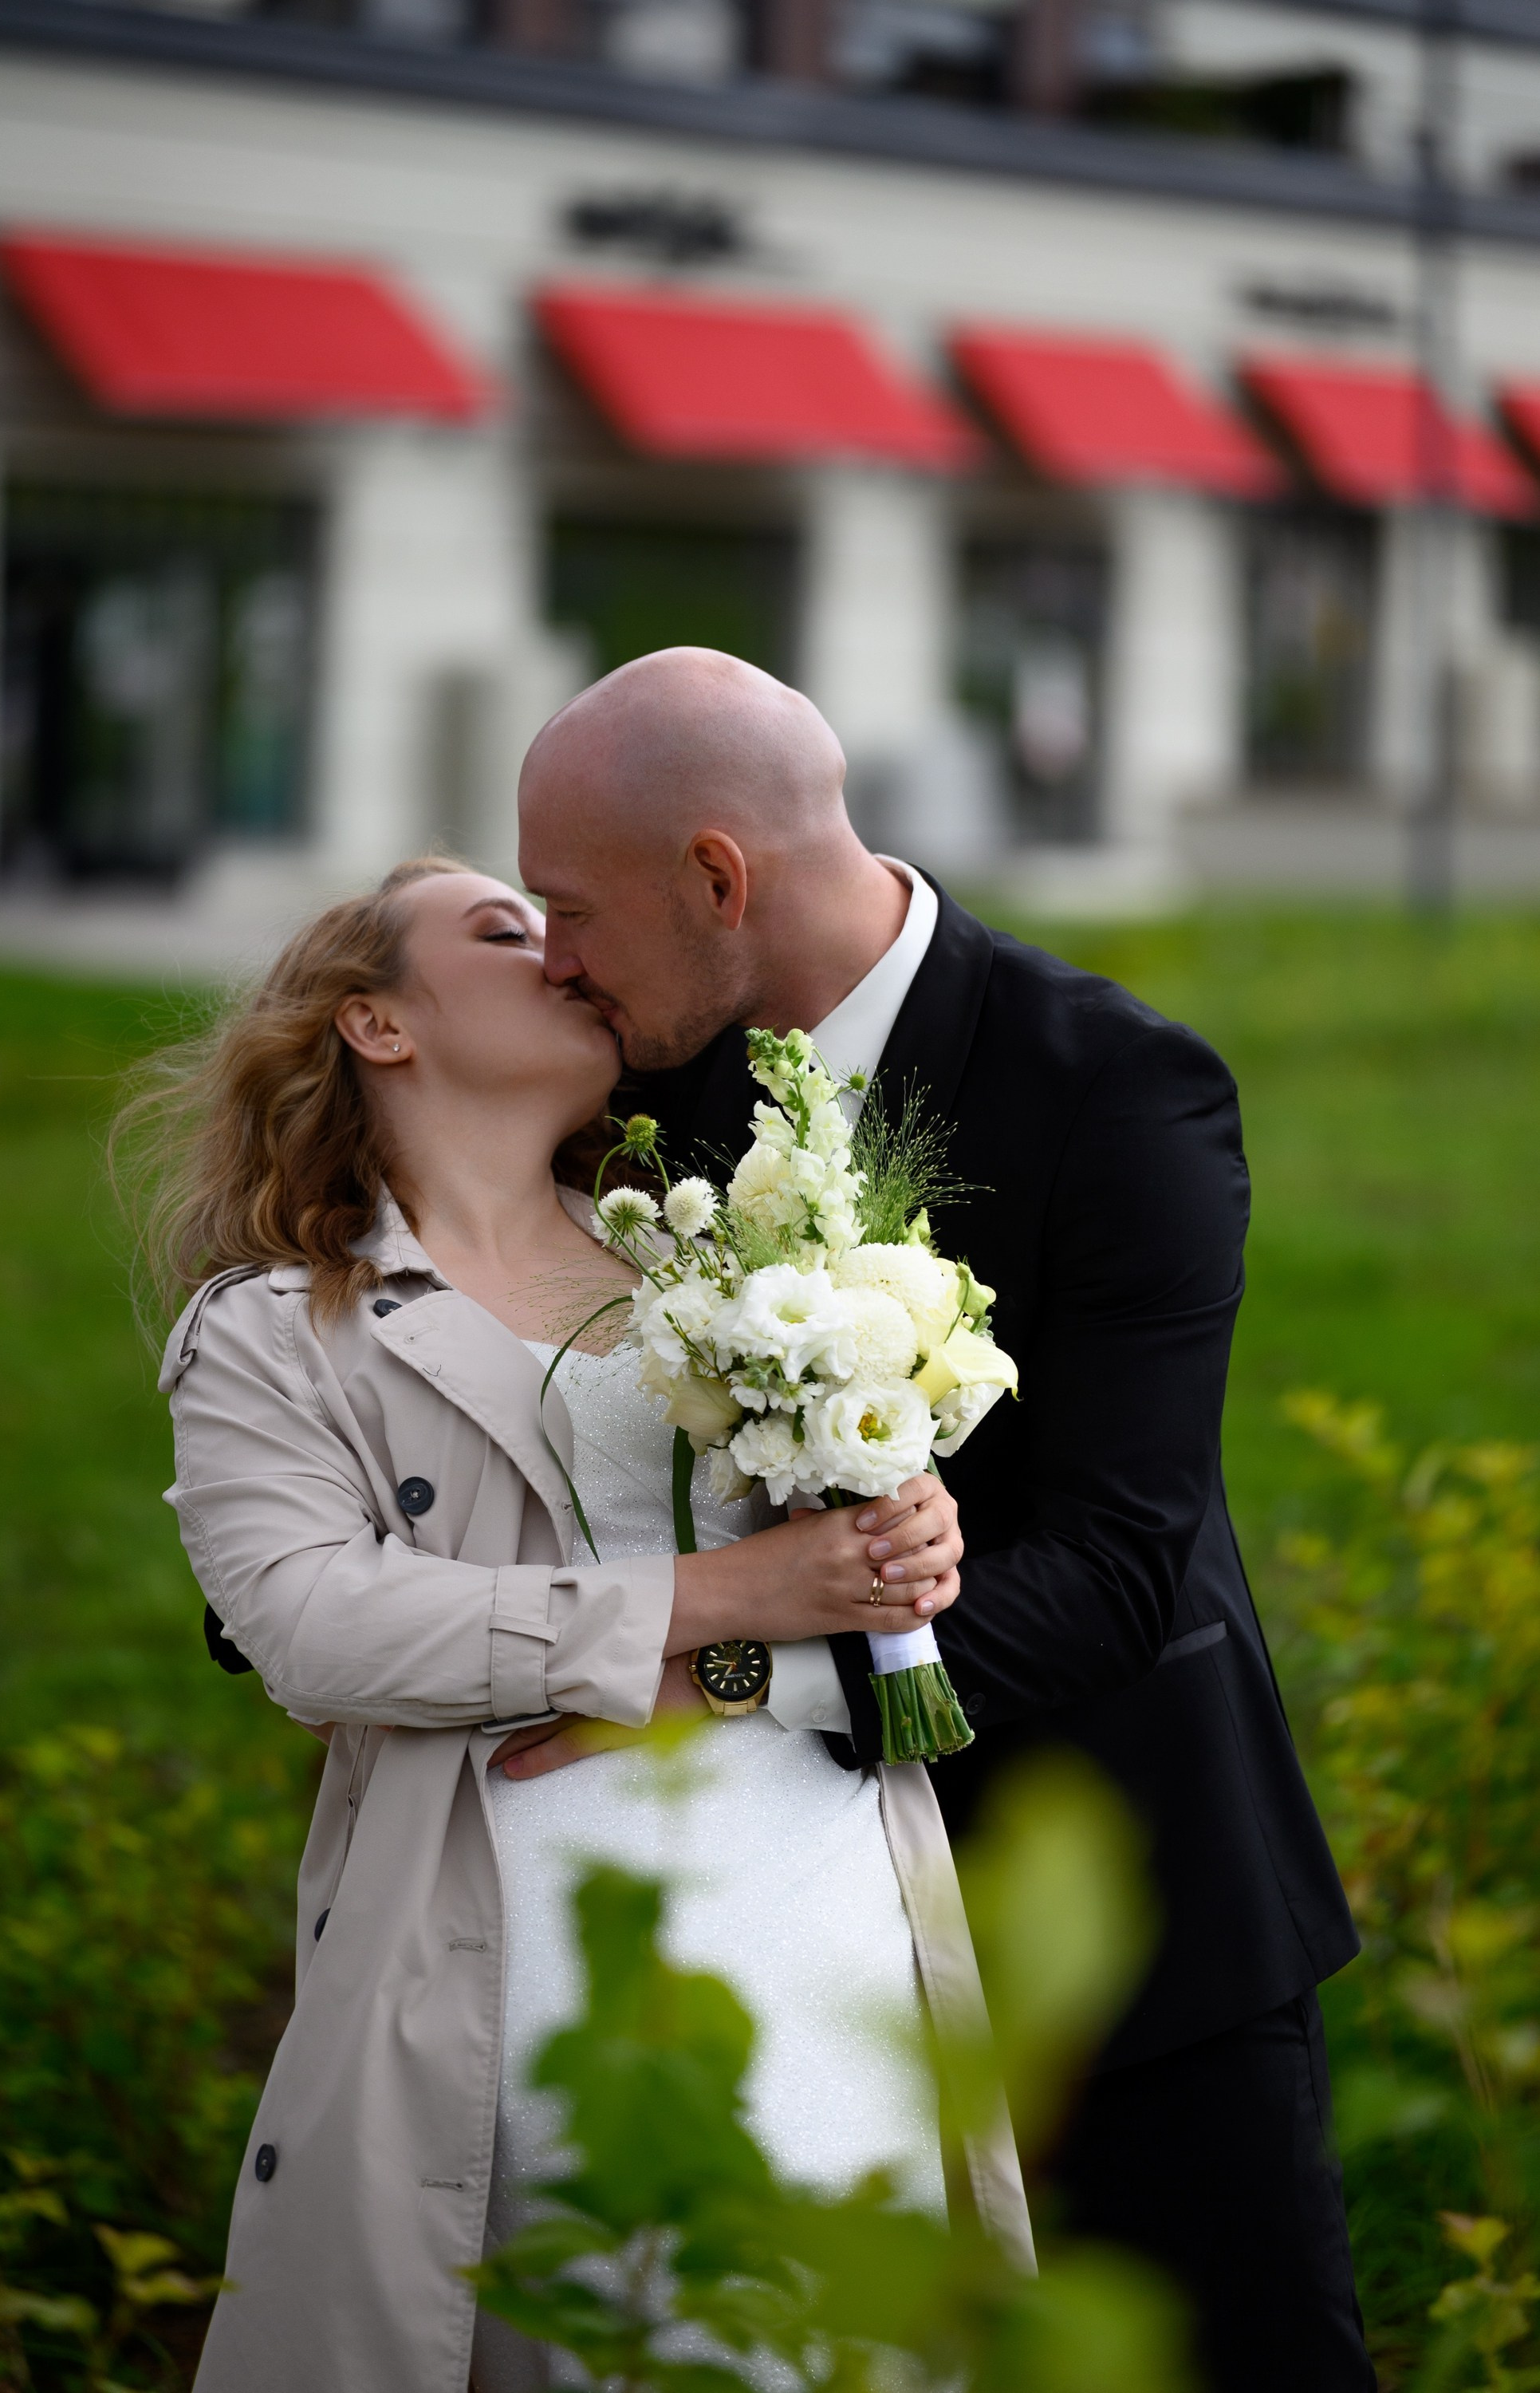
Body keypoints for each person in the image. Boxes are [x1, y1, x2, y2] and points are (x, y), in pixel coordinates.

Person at [514, 647, 1376, 2393]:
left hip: (1120, 1922)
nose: (553, 963)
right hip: (766, 1939)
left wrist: (734, 1678)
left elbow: (1120, 1562)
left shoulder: (1119, 1087)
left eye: (570, 910)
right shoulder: (603, 1099)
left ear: (715, 879)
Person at [133, 856, 1030, 2393]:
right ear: (378, 1024)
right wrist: (723, 1595)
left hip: (819, 1894)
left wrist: (902, 1533)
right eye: (501, 930)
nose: (560, 950)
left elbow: (845, 1594)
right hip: (510, 1932)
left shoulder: (716, 1261)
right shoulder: (276, 1328)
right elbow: (317, 1630)